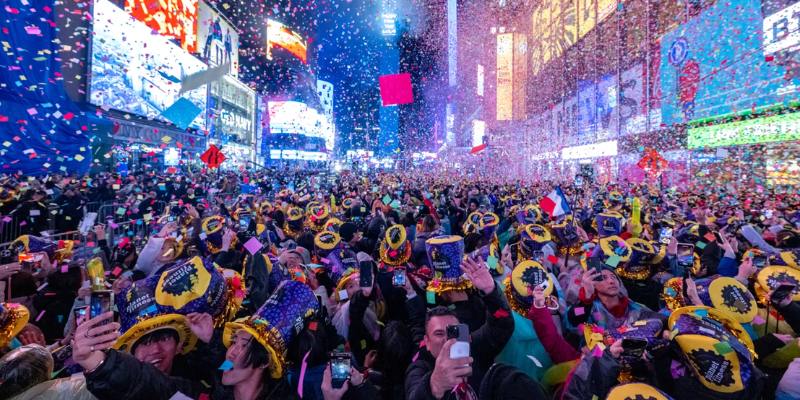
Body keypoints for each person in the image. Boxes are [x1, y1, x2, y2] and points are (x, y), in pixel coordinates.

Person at [404, 257, 515, 400]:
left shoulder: (472, 348)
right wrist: (434, 385)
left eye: (453, 331)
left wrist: (490, 291)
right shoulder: (420, 366)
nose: (447, 340)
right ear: (427, 341)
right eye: (438, 333)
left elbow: (501, 326)